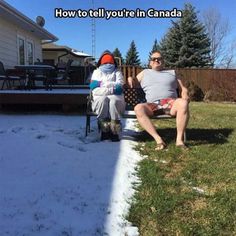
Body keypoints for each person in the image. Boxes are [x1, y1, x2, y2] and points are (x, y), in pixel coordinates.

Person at [127, 50, 190, 150]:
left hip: (171, 103)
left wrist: (185, 93)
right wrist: (130, 78)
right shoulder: (144, 72)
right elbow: (134, 82)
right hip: (152, 105)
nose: (157, 60)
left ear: (163, 61)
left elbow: (183, 87)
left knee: (183, 103)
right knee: (138, 108)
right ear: (150, 62)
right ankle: (159, 140)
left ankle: (179, 140)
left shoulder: (172, 72)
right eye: (154, 59)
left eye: (159, 59)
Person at [90, 50, 125, 141]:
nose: (108, 64)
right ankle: (104, 131)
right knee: (102, 100)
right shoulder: (96, 72)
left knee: (114, 101)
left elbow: (120, 87)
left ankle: (114, 131)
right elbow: (95, 89)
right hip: (100, 100)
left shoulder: (117, 72)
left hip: (117, 100)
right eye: (105, 62)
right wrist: (112, 88)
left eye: (110, 62)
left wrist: (102, 84)